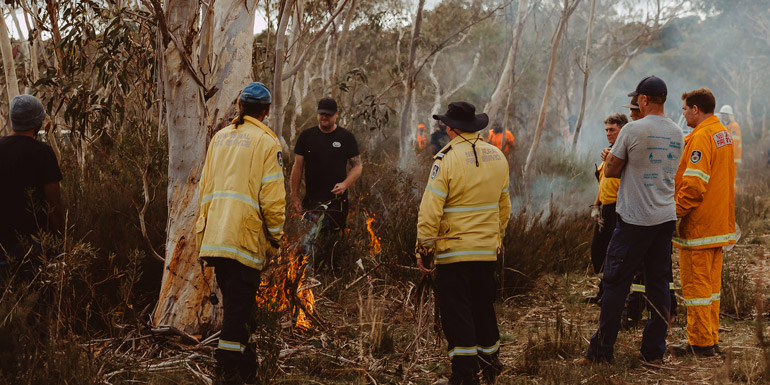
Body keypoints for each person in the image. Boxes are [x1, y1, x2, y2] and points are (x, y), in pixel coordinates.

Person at [579, 75, 683, 365]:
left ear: (645, 100)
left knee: (615, 283)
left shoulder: (633, 129)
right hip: (664, 217)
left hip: (634, 219)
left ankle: (601, 352)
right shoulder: (677, 132)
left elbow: (610, 170)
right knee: (659, 284)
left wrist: (612, 156)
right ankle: (653, 352)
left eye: (638, 98)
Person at [195, 82, 286, 384]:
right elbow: (272, 199)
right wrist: (275, 239)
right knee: (237, 312)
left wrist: (201, 237)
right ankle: (226, 370)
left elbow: (205, 190)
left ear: (239, 106)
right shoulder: (266, 142)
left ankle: (248, 372)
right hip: (244, 241)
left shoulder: (219, 139)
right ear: (267, 111)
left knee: (240, 308)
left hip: (216, 239)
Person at [416, 101, 511, 385]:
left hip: (453, 253)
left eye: (446, 124)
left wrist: (424, 250)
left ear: (452, 128)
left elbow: (430, 210)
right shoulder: (498, 157)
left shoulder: (445, 160)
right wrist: (496, 240)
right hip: (485, 253)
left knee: (458, 315)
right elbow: (504, 207)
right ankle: (490, 363)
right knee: (483, 307)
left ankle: (464, 375)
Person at [670, 88, 736, 357]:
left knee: (697, 289)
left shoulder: (701, 138)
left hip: (699, 228)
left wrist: (674, 212)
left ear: (696, 109)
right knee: (711, 289)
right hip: (718, 226)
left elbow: (695, 186)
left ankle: (700, 344)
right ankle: (710, 337)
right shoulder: (723, 134)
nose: (683, 114)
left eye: (684, 109)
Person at [290, 97, 362, 269]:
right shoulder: (306, 136)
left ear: (336, 114)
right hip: (312, 202)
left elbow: (357, 166)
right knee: (307, 243)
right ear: (317, 114)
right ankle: (306, 280)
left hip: (337, 203)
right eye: (322, 114)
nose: (325, 118)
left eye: (328, 115)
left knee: (333, 244)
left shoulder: (346, 137)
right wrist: (294, 196)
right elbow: (297, 166)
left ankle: (332, 279)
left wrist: (345, 184)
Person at [0, 94, 63, 282]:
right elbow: (54, 204)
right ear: (38, 122)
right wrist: (60, 239)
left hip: (1, 247)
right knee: (38, 305)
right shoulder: (42, 153)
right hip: (34, 249)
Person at [587, 113, 628, 305]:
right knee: (599, 250)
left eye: (612, 130)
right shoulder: (608, 153)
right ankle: (602, 292)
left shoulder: (626, 153)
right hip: (604, 208)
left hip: (618, 209)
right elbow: (602, 182)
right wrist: (596, 206)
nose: (608, 133)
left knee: (615, 253)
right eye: (606, 130)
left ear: (622, 129)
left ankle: (612, 295)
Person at [718, 105, 741, 181]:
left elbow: (735, 143)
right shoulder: (727, 126)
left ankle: (733, 193)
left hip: (732, 157)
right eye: (721, 114)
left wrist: (729, 156)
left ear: (729, 115)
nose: (722, 116)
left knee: (731, 178)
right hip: (728, 156)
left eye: (724, 114)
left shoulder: (734, 126)